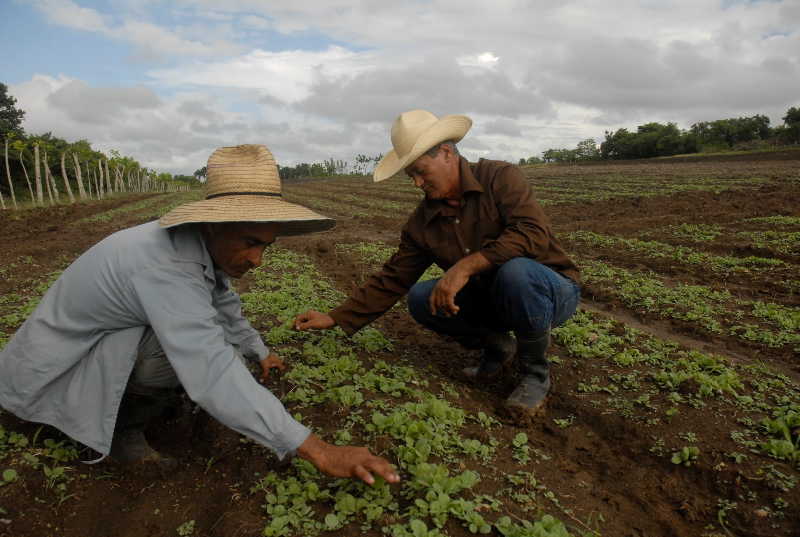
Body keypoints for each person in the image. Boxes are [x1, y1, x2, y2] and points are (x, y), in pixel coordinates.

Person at [0, 144, 399, 485]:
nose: (258, 260)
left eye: (267, 245)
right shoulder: (165, 267)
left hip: (100, 342)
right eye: (249, 242)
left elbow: (222, 302)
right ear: (212, 225)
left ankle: (138, 399)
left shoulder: (195, 248)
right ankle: (122, 432)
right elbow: (209, 365)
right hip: (61, 366)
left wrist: (258, 351)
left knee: (196, 340)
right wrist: (318, 449)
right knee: (182, 355)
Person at [294, 110, 580, 423]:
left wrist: (465, 267)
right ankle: (499, 346)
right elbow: (392, 278)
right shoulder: (422, 223)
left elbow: (531, 233)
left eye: (420, 171)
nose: (417, 183)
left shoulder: (500, 177)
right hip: (493, 300)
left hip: (549, 292)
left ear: (445, 153)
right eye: (410, 176)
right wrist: (335, 317)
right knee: (420, 298)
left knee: (517, 272)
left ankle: (535, 374)